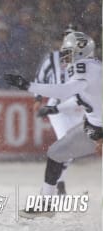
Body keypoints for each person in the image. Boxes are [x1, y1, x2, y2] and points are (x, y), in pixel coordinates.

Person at [4, 31, 102, 218]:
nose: (64, 55)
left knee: (57, 153)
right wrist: (55, 110)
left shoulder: (83, 68)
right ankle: (46, 203)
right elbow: (84, 98)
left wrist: (28, 86)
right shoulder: (94, 67)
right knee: (56, 153)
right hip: (93, 126)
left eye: (68, 51)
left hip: (97, 128)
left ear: (80, 51)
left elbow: (65, 90)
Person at [32, 25, 83, 195]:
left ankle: (60, 181)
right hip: (57, 107)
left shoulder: (85, 60)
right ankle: (56, 184)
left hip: (77, 107)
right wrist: (38, 99)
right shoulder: (52, 59)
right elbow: (40, 78)